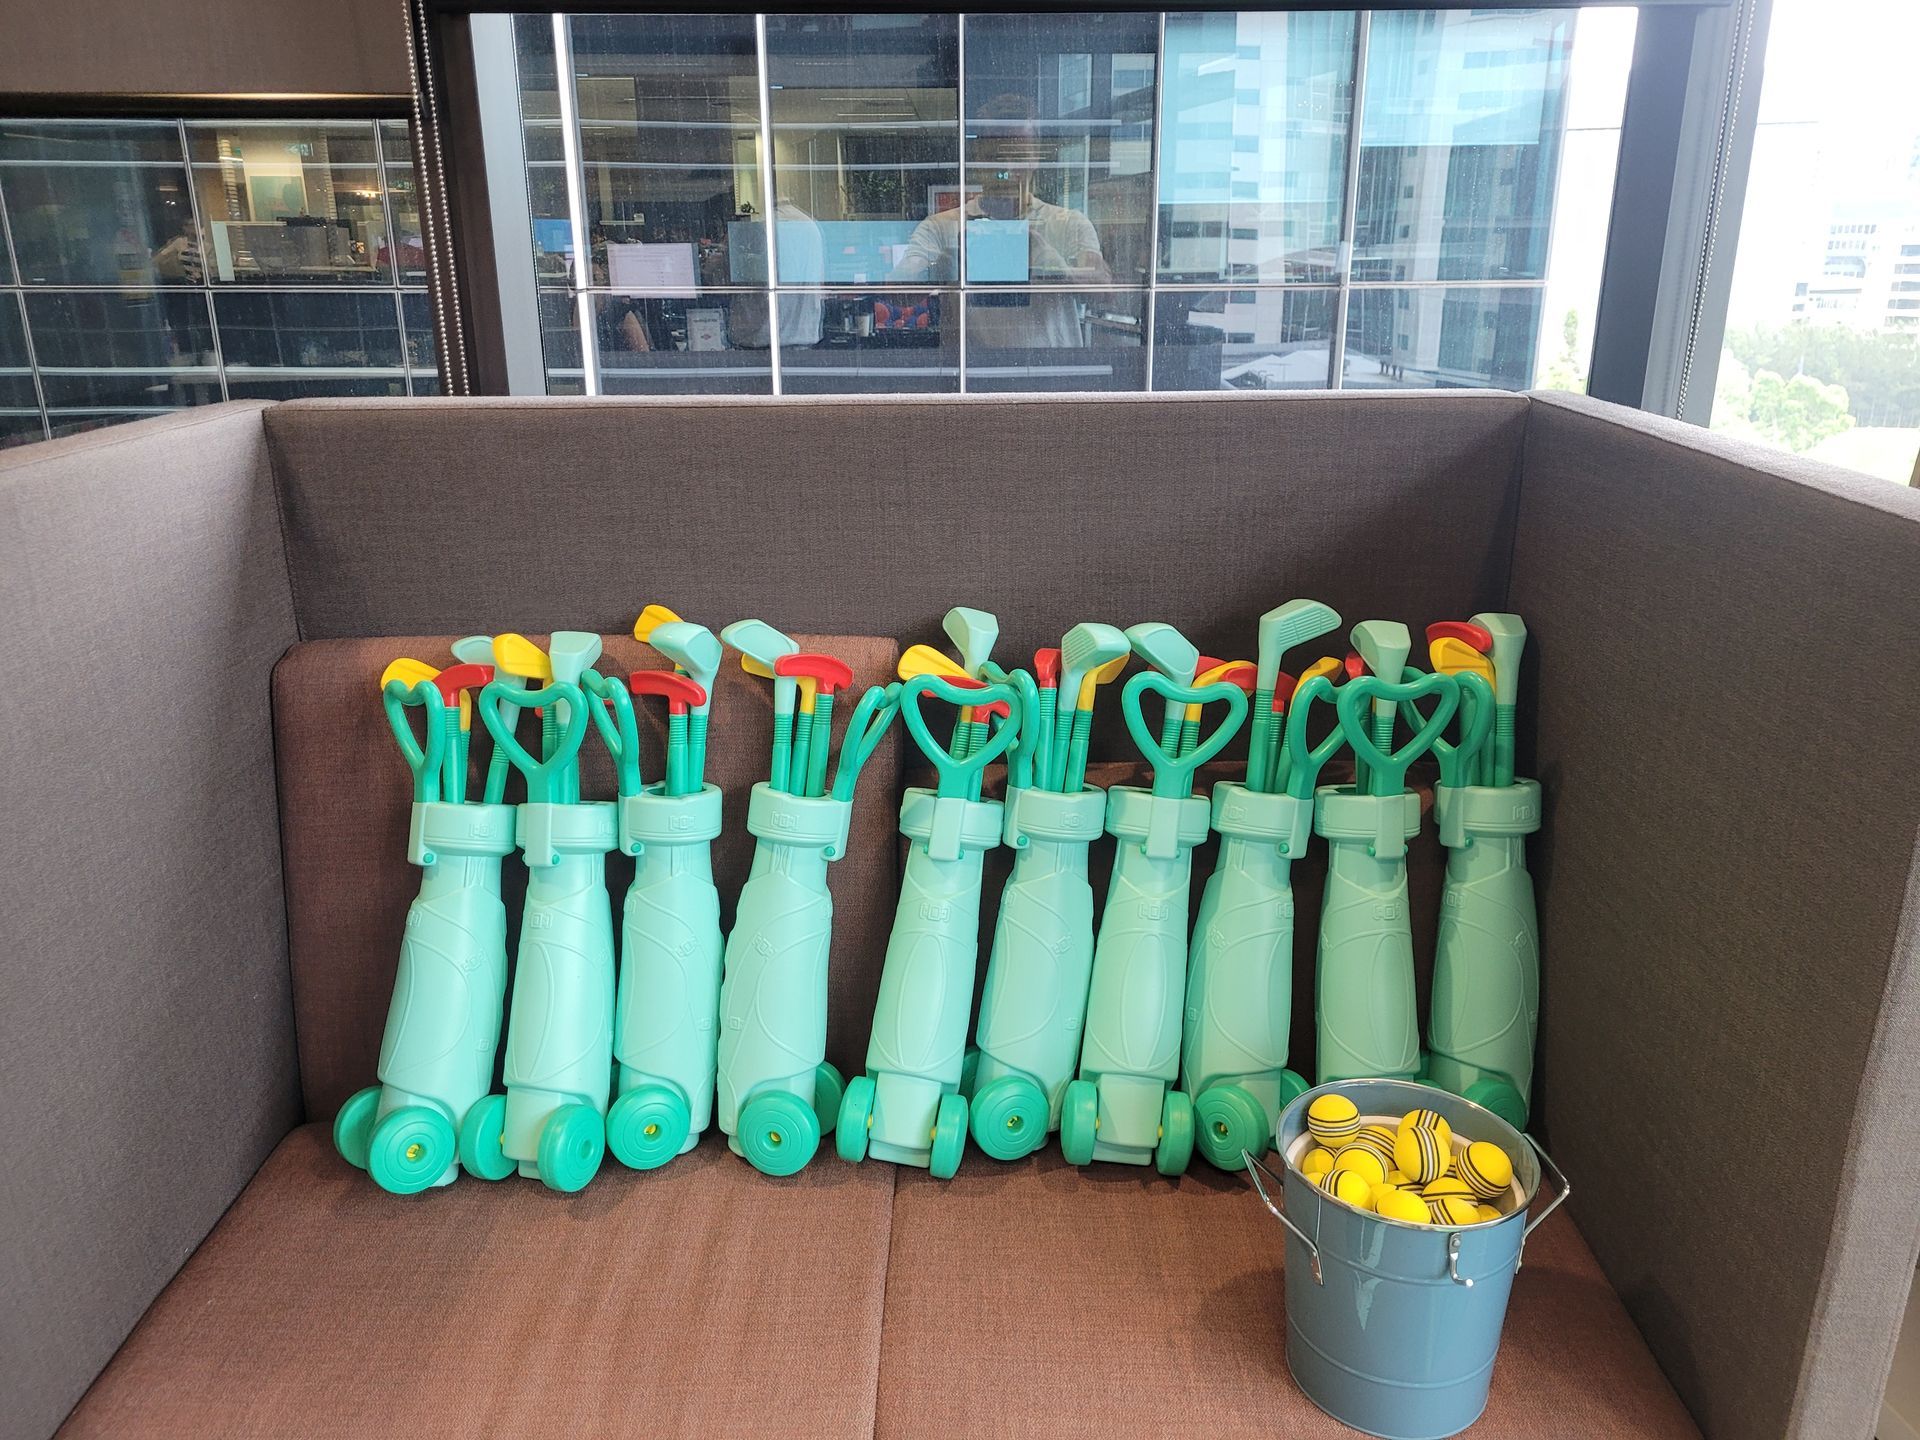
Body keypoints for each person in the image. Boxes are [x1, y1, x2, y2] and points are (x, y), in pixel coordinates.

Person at [890, 93, 1110, 348]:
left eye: (1017, 154)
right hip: (975, 379)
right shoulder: (939, 228)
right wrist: (945, 263)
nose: (1005, 168)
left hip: (1049, 379)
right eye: (994, 156)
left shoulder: (1071, 224)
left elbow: (1103, 293)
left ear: (1035, 158)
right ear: (975, 160)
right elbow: (896, 292)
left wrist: (1046, 260)